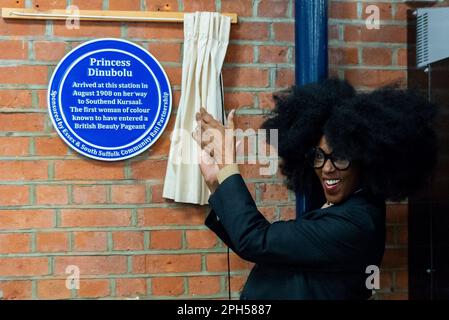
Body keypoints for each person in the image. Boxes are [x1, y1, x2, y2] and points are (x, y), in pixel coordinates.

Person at [192, 78, 437, 300]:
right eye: (318, 155)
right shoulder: (343, 207)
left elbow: (256, 240)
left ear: (365, 158)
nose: (327, 168)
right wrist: (217, 183)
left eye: (339, 156)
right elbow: (266, 250)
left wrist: (227, 163)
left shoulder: (356, 223)